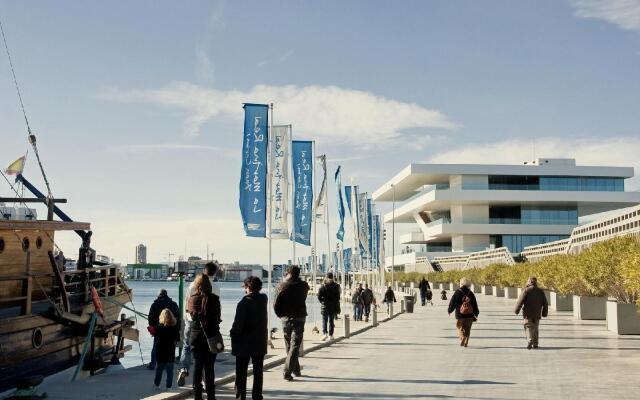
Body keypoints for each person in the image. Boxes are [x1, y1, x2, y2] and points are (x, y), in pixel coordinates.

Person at [177, 262, 220, 386]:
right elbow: (217, 306)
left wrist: (187, 318)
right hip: (209, 323)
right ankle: (205, 380)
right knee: (207, 352)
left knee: (187, 346)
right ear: (215, 272)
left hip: (191, 321)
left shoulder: (192, 285)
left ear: (204, 270)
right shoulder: (216, 286)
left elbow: (187, 303)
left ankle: (184, 368)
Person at [231, 276, 267, 400]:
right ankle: (257, 396)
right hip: (259, 341)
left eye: (245, 287)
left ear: (247, 287)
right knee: (258, 371)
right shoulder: (264, 299)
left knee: (241, 372)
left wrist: (233, 334)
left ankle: (241, 395)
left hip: (244, 343)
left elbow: (238, 325)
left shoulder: (243, 303)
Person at [188, 274, 221, 400]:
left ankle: (197, 395)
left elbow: (191, 317)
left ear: (197, 285)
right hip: (211, 337)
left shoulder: (192, 299)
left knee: (197, 366)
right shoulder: (214, 299)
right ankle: (211, 395)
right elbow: (217, 318)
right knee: (209, 368)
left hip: (196, 336)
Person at [274, 266, 309, 381]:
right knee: (294, 345)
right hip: (299, 317)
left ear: (288, 273)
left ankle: (291, 370)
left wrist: (281, 315)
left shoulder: (281, 286)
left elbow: (276, 304)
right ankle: (292, 370)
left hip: (286, 318)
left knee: (289, 345)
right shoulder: (304, 285)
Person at [148, 289, 180, 370]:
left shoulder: (154, 305)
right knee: (170, 348)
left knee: (156, 347)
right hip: (172, 330)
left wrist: (153, 330)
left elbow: (150, 319)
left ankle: (153, 364)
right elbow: (178, 318)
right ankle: (168, 365)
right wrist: (177, 329)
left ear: (159, 295)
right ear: (167, 295)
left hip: (159, 330)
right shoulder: (173, 304)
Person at [515, 276, 549, 350]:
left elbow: (520, 302)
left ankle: (530, 340)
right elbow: (545, 303)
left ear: (529, 282)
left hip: (528, 313)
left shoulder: (526, 290)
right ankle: (535, 343)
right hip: (537, 313)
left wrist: (517, 310)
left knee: (528, 326)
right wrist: (544, 313)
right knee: (535, 328)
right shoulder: (540, 291)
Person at [447, 278, 479, 347]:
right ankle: (466, 342)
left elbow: (453, 302)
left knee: (459, 327)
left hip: (460, 314)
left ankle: (462, 337)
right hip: (470, 315)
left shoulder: (457, 292)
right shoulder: (470, 293)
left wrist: (450, 310)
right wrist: (476, 312)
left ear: (461, 284)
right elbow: (474, 303)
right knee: (468, 329)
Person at [153, 309, 180, 390]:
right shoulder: (174, 328)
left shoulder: (159, 327)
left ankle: (157, 384)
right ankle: (169, 386)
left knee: (159, 369)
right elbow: (177, 338)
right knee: (169, 371)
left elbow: (156, 337)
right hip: (170, 351)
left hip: (160, 351)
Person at [317, 272, 341, 340]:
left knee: (324, 321)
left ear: (326, 277)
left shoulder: (322, 286)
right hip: (333, 306)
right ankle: (331, 335)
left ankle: (325, 334)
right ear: (333, 278)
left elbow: (319, 297)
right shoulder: (336, 286)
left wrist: (322, 302)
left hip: (324, 306)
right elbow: (338, 297)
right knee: (331, 321)